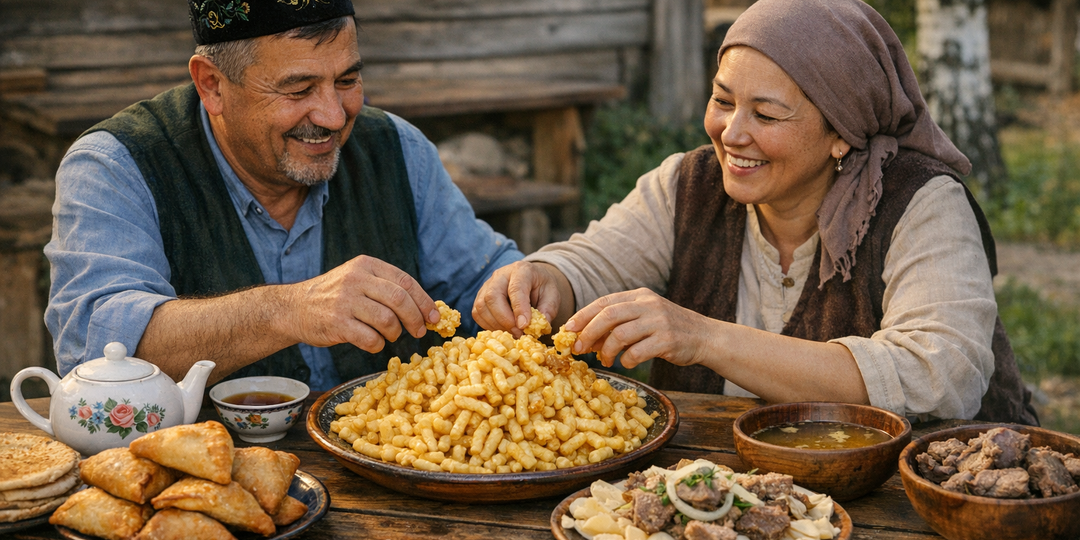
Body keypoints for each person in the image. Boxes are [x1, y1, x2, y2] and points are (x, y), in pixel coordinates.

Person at [473, 0, 1037, 424]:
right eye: (722, 100)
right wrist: (547, 279)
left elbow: (940, 374)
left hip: (914, 504)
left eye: (766, 115)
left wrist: (703, 338)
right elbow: (593, 264)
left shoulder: (920, 203)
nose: (731, 133)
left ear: (842, 133)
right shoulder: (689, 183)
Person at [44, 0, 521, 390]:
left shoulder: (397, 148)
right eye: (299, 89)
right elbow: (93, 345)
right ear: (211, 84)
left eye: (348, 80)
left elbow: (483, 282)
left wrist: (531, 284)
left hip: (401, 486)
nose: (334, 116)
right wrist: (286, 309)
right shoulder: (116, 163)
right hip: (198, 486)